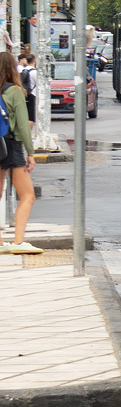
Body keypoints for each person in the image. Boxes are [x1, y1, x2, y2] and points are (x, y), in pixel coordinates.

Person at [0, 51, 40, 255]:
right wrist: (30, 153)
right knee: (27, 195)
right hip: (11, 146)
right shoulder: (15, 91)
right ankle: (18, 241)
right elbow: (23, 126)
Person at [18, 52, 37, 131]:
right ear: (34, 61)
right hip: (32, 94)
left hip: (23, 94)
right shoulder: (35, 72)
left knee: (23, 115)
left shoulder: (22, 71)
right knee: (30, 117)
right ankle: (28, 134)